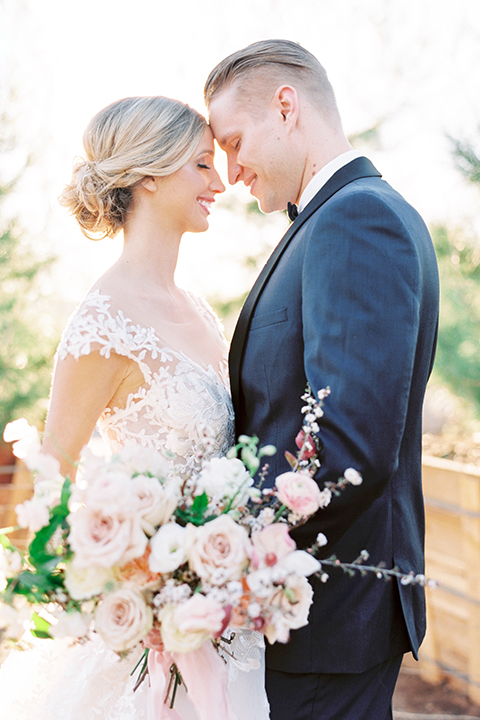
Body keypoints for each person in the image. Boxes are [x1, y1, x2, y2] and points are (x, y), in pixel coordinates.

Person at [0, 96, 270, 720]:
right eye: (202, 165)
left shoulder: (197, 308)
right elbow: (53, 479)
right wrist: (132, 587)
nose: (220, 182)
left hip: (226, 622)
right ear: (150, 174)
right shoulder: (102, 324)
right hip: (148, 634)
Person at [205, 40, 439, 720]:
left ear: (285, 107)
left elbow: (346, 445)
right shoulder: (329, 218)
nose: (230, 169)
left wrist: (214, 552)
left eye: (233, 141)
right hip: (307, 618)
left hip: (326, 619)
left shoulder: (356, 219)